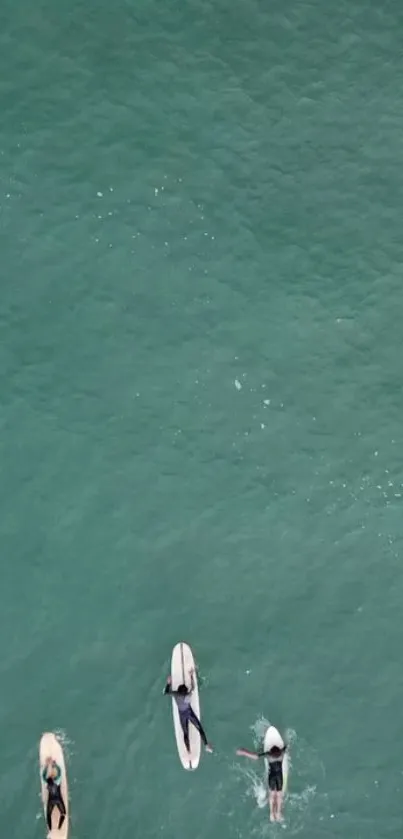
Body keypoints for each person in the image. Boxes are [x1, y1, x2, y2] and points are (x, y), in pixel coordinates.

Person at [163, 668, 213, 754]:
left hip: (182, 714)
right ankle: (206, 745)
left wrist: (168, 683)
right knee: (200, 728)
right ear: (185, 692)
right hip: (189, 712)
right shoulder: (188, 695)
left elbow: (166, 692)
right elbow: (193, 687)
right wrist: (191, 676)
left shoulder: (175, 694)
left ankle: (188, 750)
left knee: (186, 733)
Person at [236, 741, 287, 822]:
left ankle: (271, 814)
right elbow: (286, 747)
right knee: (279, 795)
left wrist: (243, 751)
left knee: (272, 794)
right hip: (279, 777)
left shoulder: (268, 755)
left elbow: (255, 756)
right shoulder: (282, 753)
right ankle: (278, 813)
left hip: (272, 777)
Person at [42, 756, 67, 834]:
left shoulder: (47, 783)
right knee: (63, 813)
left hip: (51, 801)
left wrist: (46, 767)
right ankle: (59, 827)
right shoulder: (57, 781)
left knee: (48, 815)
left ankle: (50, 829)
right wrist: (54, 764)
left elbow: (43, 776)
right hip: (58, 800)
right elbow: (60, 772)